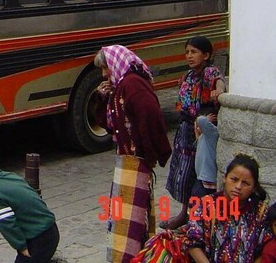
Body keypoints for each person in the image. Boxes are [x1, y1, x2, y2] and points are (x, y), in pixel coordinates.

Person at [92, 45, 172, 262]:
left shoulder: (132, 85)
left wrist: (151, 155)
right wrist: (101, 98)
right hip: (126, 162)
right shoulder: (119, 87)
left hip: (136, 162)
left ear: (116, 64)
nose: (104, 74)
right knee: (124, 215)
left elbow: (151, 117)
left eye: (106, 68)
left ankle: (129, 257)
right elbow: (109, 125)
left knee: (130, 218)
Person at [161, 36, 226, 230]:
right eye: (187, 52)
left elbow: (218, 81)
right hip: (185, 130)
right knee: (182, 172)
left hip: (200, 130)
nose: (189, 56)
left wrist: (218, 91)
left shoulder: (208, 72)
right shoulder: (189, 76)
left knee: (197, 174)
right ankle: (183, 213)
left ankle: (195, 218)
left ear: (206, 55)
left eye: (194, 52)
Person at [0, 151, 59, 262]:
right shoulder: (8, 176)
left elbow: (6, 223)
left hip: (38, 237)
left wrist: (21, 246)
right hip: (50, 228)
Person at [184, 154, 271, 262]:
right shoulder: (204, 205)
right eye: (234, 179)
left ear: (254, 188)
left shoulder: (261, 213)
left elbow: (266, 249)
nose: (238, 187)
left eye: (246, 183)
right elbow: (192, 244)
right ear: (225, 178)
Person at [192, 114, 219, 200]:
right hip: (201, 177)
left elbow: (201, 119)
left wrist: (206, 119)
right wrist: (196, 130)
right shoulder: (203, 137)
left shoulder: (212, 133)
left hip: (207, 179)